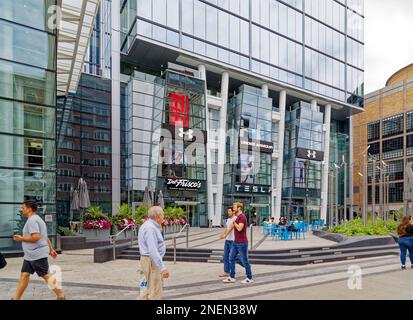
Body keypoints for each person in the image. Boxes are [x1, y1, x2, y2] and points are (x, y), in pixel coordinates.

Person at [12, 200, 65, 300]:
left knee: (46, 275)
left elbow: (36, 237)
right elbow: (45, 236)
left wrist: (21, 238)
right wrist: (51, 249)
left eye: (23, 208)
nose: (21, 210)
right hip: (30, 255)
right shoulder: (37, 219)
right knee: (24, 274)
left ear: (29, 209)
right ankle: (16, 298)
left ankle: (61, 295)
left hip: (36, 254)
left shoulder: (32, 220)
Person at [138, 206, 170, 300]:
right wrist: (162, 268)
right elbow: (153, 250)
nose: (164, 217)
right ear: (158, 216)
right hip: (151, 262)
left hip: (147, 260)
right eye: (163, 214)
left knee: (145, 290)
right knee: (154, 291)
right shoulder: (150, 228)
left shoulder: (148, 225)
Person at [221, 202, 253, 284]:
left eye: (234, 207)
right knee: (231, 258)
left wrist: (234, 222)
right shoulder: (237, 217)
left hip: (242, 243)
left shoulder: (242, 217)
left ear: (239, 208)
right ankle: (232, 277)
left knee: (244, 260)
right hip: (236, 242)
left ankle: (249, 277)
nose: (233, 208)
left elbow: (239, 228)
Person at [219, 208, 244, 278]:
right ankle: (226, 271)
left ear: (233, 211)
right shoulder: (228, 220)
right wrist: (222, 234)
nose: (228, 212)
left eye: (230, 211)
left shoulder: (235, 218)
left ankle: (247, 266)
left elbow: (231, 228)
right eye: (228, 211)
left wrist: (224, 235)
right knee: (225, 256)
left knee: (235, 257)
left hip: (233, 241)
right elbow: (227, 228)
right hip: (227, 241)